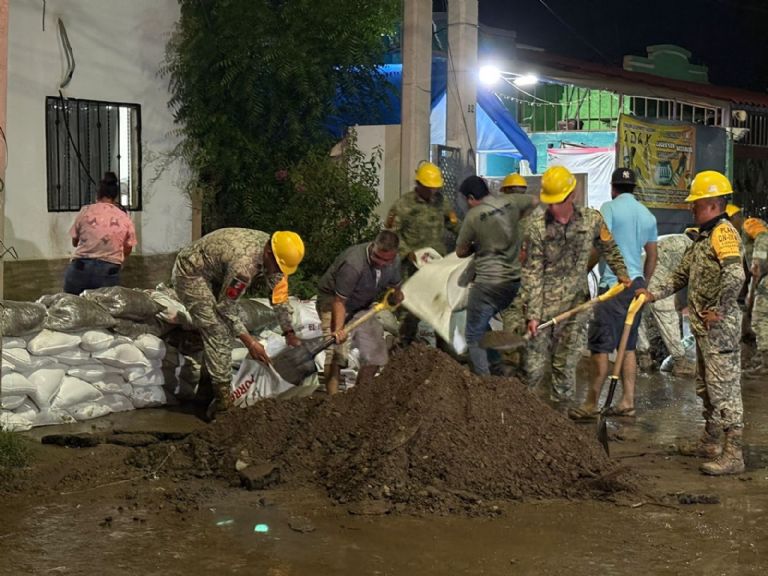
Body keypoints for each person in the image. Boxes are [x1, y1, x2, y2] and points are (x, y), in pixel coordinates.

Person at [637, 171, 745, 476]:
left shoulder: (723, 233)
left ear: (710, 203)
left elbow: (736, 275)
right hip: (705, 331)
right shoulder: (703, 237)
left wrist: (719, 310)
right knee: (707, 388)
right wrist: (651, 293)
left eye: (695, 203)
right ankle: (710, 443)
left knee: (724, 391)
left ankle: (733, 454)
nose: (691, 208)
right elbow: (680, 276)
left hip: (719, 331)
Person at [523, 165, 629, 402]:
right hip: (541, 310)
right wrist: (532, 314)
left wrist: (622, 274)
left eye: (558, 201)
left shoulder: (592, 221)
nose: (552, 208)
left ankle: (560, 422)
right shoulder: (536, 227)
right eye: (549, 202)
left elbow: (609, 249)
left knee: (564, 368)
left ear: (573, 196)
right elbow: (532, 273)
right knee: (534, 369)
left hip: (575, 308)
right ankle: (526, 423)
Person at [172, 229, 305, 417]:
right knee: (217, 329)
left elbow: (279, 298)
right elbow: (226, 308)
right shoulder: (244, 265)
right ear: (268, 254)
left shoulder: (275, 255)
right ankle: (223, 404)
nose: (278, 272)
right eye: (278, 267)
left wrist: (289, 332)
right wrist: (250, 342)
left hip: (217, 270)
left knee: (220, 332)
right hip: (191, 272)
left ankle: (204, 393)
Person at [572, 168, 657, 420]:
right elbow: (653, 256)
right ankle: (627, 400)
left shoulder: (608, 208)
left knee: (600, 346)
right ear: (634, 188)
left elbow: (602, 246)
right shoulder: (648, 215)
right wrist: (643, 284)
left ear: (613, 187)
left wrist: (585, 270)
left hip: (614, 285)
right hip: (637, 286)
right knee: (627, 345)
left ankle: (590, 403)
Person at [455, 175, 537, 375]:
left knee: (473, 333)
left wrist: (477, 245)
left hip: (488, 284)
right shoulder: (510, 203)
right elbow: (535, 201)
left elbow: (460, 251)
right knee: (485, 322)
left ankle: (483, 382)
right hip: (513, 283)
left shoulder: (474, 216)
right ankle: (498, 364)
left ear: (472, 197)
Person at [316, 230, 404, 394]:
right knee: (336, 353)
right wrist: (338, 330)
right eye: (377, 257)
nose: (381, 263)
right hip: (332, 301)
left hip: (363, 304)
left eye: (387, 260)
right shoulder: (353, 264)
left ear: (394, 255)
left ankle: (359, 397)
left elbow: (396, 285)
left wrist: (397, 294)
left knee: (376, 353)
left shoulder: (394, 262)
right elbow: (339, 301)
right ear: (373, 246)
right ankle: (332, 403)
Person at [385, 161, 460, 345]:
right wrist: (407, 252)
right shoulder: (404, 205)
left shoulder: (442, 203)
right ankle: (403, 348)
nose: (433, 192)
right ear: (419, 184)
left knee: (440, 306)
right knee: (411, 310)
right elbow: (390, 234)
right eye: (429, 188)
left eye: (435, 188)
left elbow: (454, 225)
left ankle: (444, 351)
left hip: (436, 266)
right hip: (412, 268)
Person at [636, 229, 697, 376]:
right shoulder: (691, 246)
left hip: (637, 275)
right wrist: (684, 304)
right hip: (656, 278)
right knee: (668, 317)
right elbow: (687, 278)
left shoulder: (669, 237)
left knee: (638, 317)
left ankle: (644, 358)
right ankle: (680, 362)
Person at [64, 172, 137, 294]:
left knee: (71, 308)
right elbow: (128, 248)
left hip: (80, 269)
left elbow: (75, 242)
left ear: (97, 195)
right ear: (115, 197)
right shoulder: (124, 217)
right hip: (109, 272)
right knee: (105, 310)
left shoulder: (86, 211)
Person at [743, 218, 768, 378]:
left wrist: (758, 261)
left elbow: (763, 235)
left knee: (761, 320)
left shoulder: (754, 230)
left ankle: (766, 365)